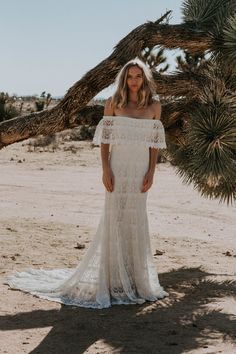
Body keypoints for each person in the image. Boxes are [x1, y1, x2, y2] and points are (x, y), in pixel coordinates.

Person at [3, 58, 169, 309]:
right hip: (117, 166)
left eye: (138, 76)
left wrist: (151, 172)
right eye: (130, 76)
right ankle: (113, 277)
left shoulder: (154, 106)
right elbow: (105, 141)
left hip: (139, 170)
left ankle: (135, 279)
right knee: (115, 217)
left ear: (144, 79)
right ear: (124, 79)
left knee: (135, 217)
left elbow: (154, 144)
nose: (134, 81)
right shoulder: (114, 103)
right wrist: (105, 169)